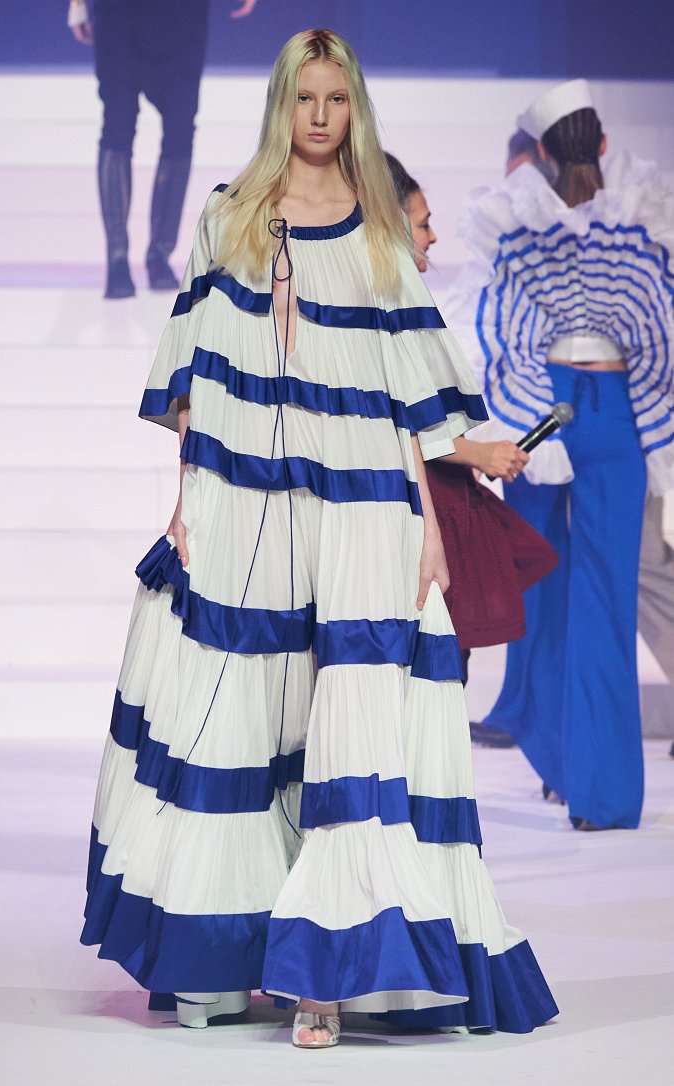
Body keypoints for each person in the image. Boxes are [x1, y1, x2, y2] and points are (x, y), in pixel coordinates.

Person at [80, 29, 558, 1046]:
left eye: (338, 101)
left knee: (350, 731)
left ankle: (327, 979)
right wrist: (186, 501)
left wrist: (430, 523)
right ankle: (223, 960)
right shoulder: (228, 217)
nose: (321, 118)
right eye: (306, 98)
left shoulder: (379, 232)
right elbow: (193, 379)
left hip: (360, 507)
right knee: (238, 716)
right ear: (281, 103)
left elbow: (409, 399)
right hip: (247, 499)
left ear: (355, 110)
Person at [455, 79, 674, 830]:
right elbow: (661, 330)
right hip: (616, 412)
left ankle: (555, 760)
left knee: (540, 589)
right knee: (607, 600)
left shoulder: (517, 222)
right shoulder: (641, 214)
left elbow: (482, 323)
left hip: (541, 410)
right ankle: (602, 795)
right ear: (603, 144)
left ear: (541, 153)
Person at [385, 153, 558, 734]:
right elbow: (408, 420)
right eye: (424, 222)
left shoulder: (402, 301)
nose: (433, 236)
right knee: (428, 675)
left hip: (436, 502)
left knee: (434, 673)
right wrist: (481, 454)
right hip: (422, 511)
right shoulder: (388, 308)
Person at [67, 0, 258, 299]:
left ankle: (159, 254)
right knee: (118, 122)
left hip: (182, 13)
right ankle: (118, 258)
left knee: (179, 125)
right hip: (119, 12)